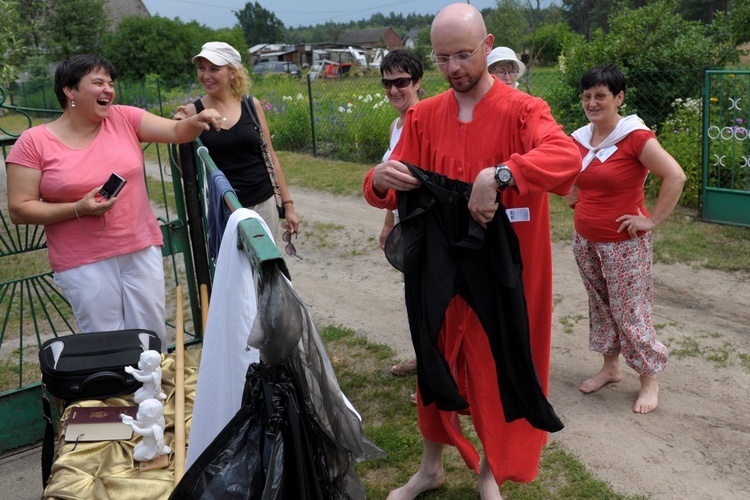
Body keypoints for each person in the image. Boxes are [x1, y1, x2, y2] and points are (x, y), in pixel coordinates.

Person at [362, 4, 580, 499]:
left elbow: (566, 158)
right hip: (439, 265)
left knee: (495, 368)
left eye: (464, 53)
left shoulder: (524, 110)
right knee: (435, 354)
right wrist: (377, 180)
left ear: (487, 44)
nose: (454, 67)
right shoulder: (422, 116)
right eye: (443, 58)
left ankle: (490, 475)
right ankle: (430, 467)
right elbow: (390, 186)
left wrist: (502, 173)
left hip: (505, 271)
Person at [5, 54, 224, 351]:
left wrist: (197, 120)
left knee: (151, 337)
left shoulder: (123, 117)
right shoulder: (33, 142)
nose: (108, 89)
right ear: (70, 90)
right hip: (82, 260)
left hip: (139, 246)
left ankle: (151, 396)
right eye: (98, 82)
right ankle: (120, 397)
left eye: (111, 83)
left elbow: (175, 131)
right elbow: (19, 208)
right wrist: (77, 209)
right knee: (106, 344)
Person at [565, 65, 686, 414]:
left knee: (630, 311)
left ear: (619, 98)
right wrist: (572, 192)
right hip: (586, 239)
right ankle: (611, 367)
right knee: (601, 306)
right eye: (587, 96)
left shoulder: (635, 137)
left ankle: (649, 379)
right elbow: (576, 178)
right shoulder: (581, 139)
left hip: (623, 244)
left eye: (600, 95)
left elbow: (674, 176)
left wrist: (652, 220)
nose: (592, 102)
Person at [174, 41, 300, 240]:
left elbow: (271, 157)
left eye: (214, 69)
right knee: (233, 270)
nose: (206, 75)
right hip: (223, 208)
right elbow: (186, 171)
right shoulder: (193, 112)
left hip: (263, 203)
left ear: (232, 72)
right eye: (201, 68)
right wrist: (181, 129)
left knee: (265, 266)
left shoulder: (251, 105)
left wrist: (288, 206)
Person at [377, 50, 424, 402]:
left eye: (401, 82)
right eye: (387, 83)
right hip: (407, 221)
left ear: (418, 82)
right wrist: (388, 220)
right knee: (415, 297)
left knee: (434, 299)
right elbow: (392, 178)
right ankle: (424, 359)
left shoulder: (428, 118)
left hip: (430, 223)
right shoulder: (396, 125)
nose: (394, 90)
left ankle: (438, 376)